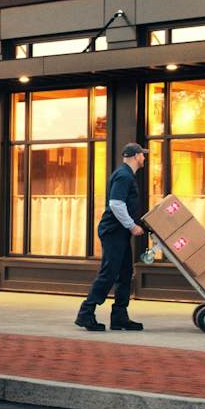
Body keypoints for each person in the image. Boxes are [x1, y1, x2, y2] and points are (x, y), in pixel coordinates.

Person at [76, 142, 148, 331]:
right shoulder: (124, 176)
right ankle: (86, 313)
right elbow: (116, 204)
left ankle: (119, 317)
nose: (144, 158)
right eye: (142, 154)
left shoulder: (126, 175)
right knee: (109, 273)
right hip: (113, 232)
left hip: (120, 232)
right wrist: (132, 226)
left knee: (124, 274)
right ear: (135, 156)